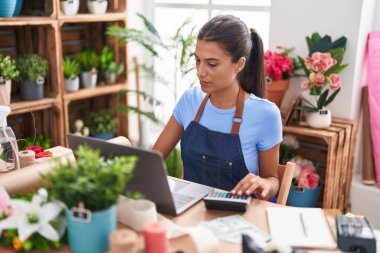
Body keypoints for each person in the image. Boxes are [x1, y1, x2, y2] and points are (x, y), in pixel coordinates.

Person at [153, 14, 282, 200]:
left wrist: (264, 183)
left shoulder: (265, 114)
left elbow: (273, 180)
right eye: (197, 60)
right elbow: (153, 159)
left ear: (239, 64)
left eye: (212, 64)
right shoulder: (190, 100)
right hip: (190, 212)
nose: (200, 72)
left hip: (238, 220)